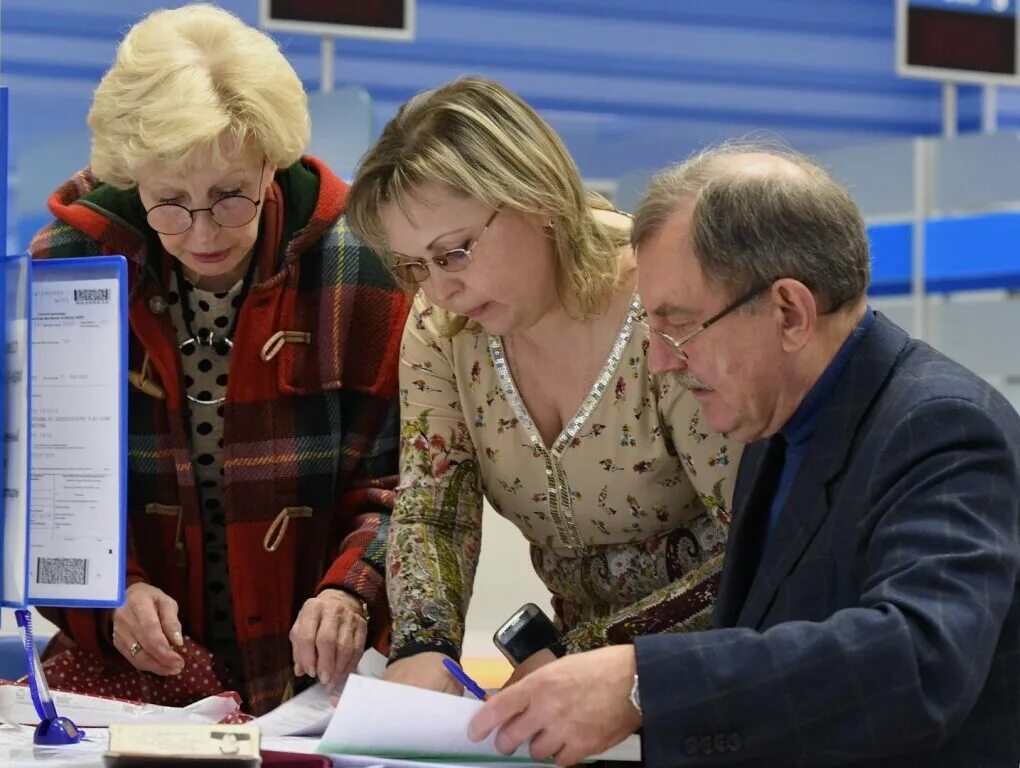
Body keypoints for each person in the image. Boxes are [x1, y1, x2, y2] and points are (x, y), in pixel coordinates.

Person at [467, 143, 1020, 767]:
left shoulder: (941, 427)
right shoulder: (772, 432)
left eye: (681, 327)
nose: (662, 362)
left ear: (789, 312)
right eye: (654, 331)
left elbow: (920, 659)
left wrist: (642, 682)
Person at [28, 4, 408, 715]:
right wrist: (113, 593)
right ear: (130, 177)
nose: (202, 232)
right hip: (136, 678)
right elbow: (52, 491)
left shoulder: (364, 266)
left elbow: (401, 485)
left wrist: (349, 589)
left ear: (271, 158)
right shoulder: (71, 266)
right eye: (168, 201)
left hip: (316, 677)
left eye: (230, 195)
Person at [344, 76, 739, 694]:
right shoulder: (444, 325)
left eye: (453, 253)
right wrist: (423, 646)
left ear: (535, 196)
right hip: (570, 681)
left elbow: (765, 546)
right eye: (414, 266)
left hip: (717, 671)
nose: (439, 289)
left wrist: (593, 657)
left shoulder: (664, 301)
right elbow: (434, 512)